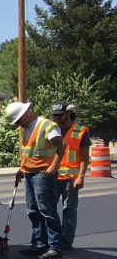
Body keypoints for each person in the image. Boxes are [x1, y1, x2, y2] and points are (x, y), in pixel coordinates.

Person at [3, 102, 66, 258]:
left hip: (43, 174)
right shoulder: (25, 129)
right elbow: (29, 152)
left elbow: (62, 144)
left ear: (24, 114)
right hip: (29, 173)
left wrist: (54, 166)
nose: (18, 124)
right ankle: (39, 244)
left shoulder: (46, 126)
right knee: (33, 210)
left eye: (18, 121)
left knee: (47, 210)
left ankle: (56, 247)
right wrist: (21, 168)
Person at [51, 102, 89, 250]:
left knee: (69, 209)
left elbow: (85, 157)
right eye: (55, 115)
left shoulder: (80, 131)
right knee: (49, 209)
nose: (57, 118)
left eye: (60, 115)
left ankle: (66, 238)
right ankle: (52, 237)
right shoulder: (51, 129)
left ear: (68, 114)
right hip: (53, 176)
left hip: (71, 179)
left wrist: (81, 176)